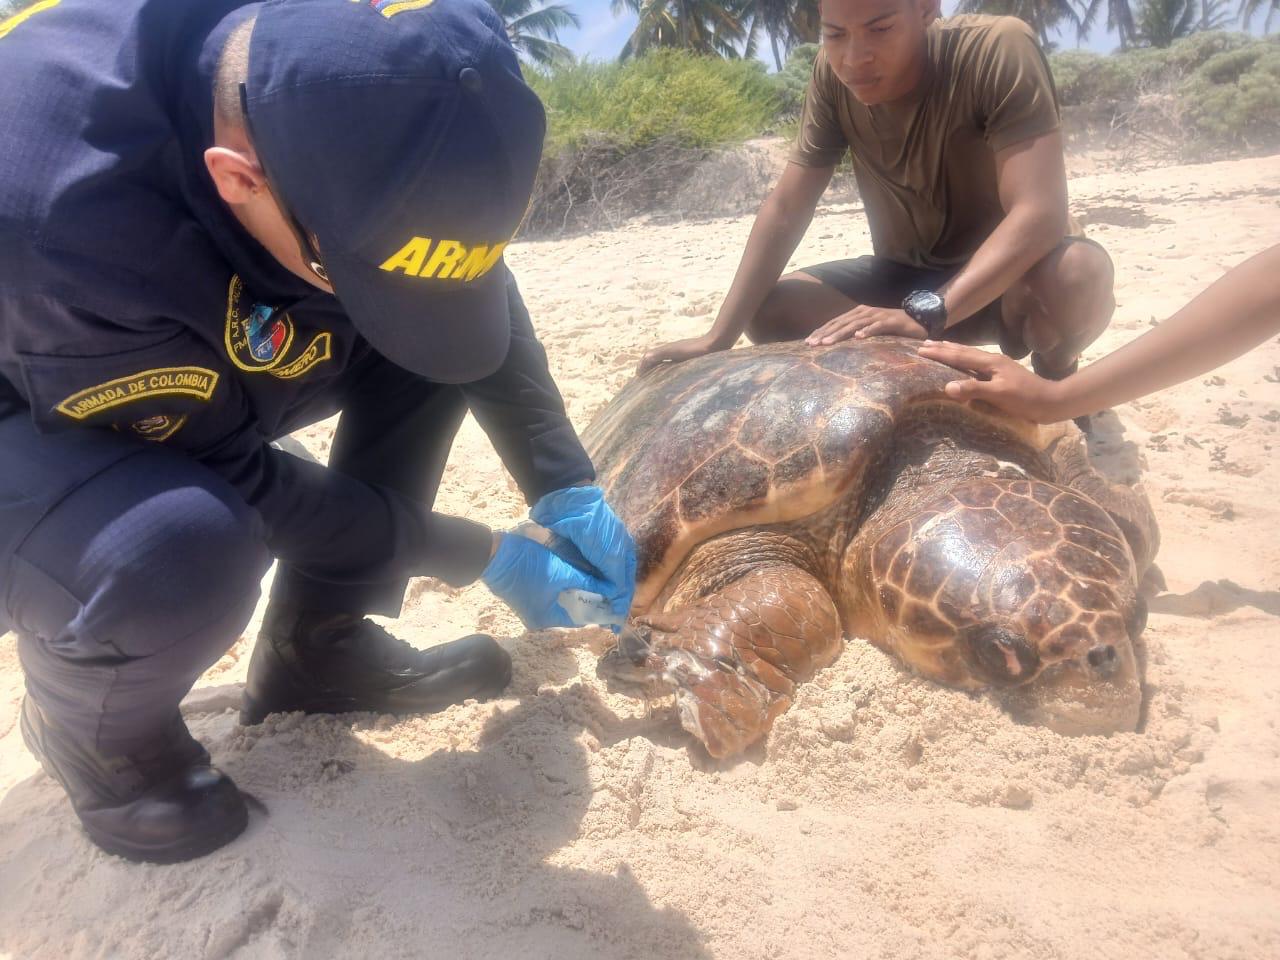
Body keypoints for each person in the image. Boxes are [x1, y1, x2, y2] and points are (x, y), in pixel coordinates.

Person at [0, 0, 635, 864]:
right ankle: (96, 742)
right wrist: (482, 552)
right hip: (28, 389)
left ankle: (317, 646)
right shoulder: (61, 221)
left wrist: (562, 479)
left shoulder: (349, 70)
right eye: (342, 260)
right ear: (239, 178)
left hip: (157, 331)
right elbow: (237, 477)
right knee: (177, 544)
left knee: (426, 330)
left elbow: (453, 272)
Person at [640, 0, 1114, 388]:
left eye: (880, 29)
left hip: (1007, 283)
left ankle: (1057, 380)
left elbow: (1040, 213)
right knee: (769, 312)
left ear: (926, 9)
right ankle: (925, 372)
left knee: (1076, 276)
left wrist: (928, 312)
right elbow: (786, 207)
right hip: (902, 278)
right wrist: (718, 336)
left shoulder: (996, 48)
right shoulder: (832, 78)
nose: (853, 58)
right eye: (835, 34)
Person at [917, 244, 1280, 422]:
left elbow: (1039, 213)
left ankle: (1059, 372)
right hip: (918, 277)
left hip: (987, 279)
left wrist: (1055, 398)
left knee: (1076, 269)